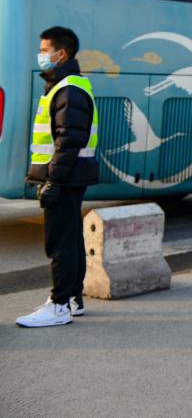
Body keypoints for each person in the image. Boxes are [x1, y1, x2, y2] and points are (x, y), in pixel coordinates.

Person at [17, 27, 99, 328]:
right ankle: (73, 300)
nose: (41, 55)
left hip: (64, 176)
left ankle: (60, 305)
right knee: (71, 238)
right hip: (71, 175)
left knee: (60, 243)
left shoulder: (68, 88)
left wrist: (54, 180)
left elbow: (69, 139)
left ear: (60, 54)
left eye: (44, 50)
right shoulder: (66, 84)